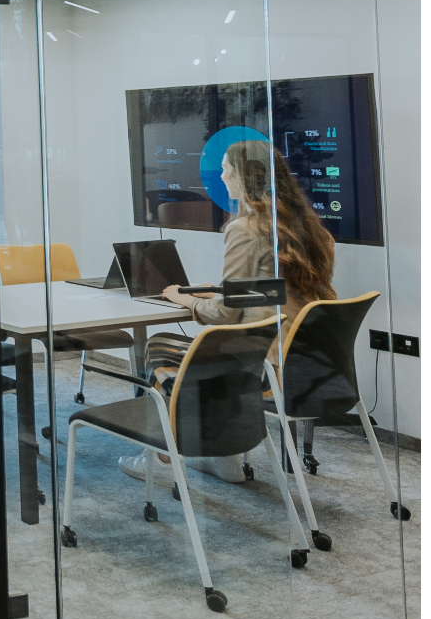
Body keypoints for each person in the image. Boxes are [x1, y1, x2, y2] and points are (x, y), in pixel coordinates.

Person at [119, 139, 336, 482]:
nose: (221, 176)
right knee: (212, 353)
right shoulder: (309, 227)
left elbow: (225, 316)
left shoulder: (246, 229)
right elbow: (277, 291)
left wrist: (185, 299)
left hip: (264, 367)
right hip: (309, 363)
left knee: (163, 348)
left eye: (226, 169)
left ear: (244, 178)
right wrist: (222, 291)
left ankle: (160, 462)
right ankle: (224, 460)